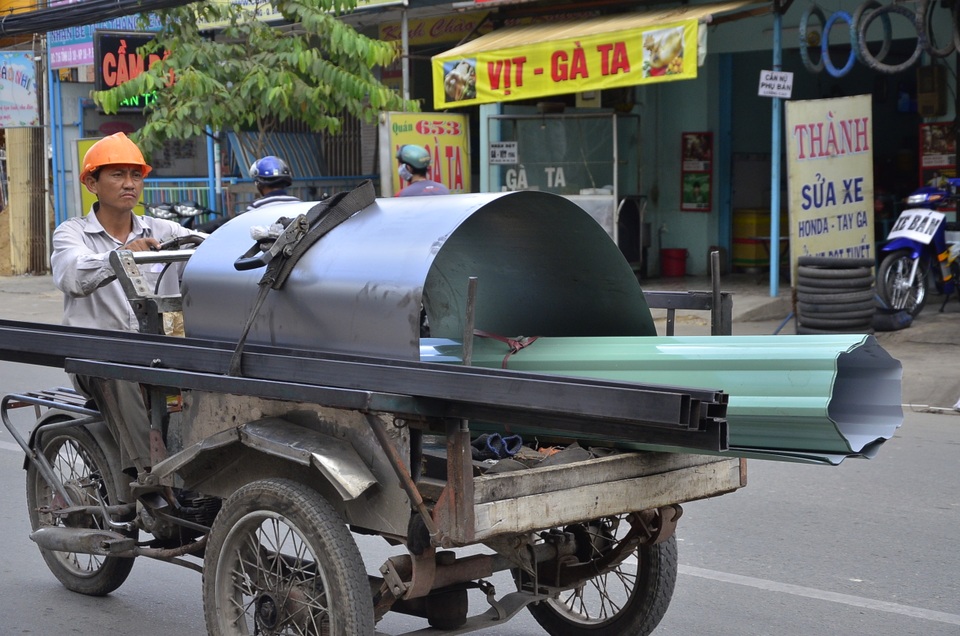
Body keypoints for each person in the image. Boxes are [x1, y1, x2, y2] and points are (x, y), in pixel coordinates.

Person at [51, 132, 201, 475]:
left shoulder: (163, 230)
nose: (129, 183)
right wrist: (119, 257)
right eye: (117, 174)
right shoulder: (71, 233)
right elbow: (74, 276)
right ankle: (149, 477)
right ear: (92, 182)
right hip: (97, 356)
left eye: (136, 175)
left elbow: (208, 248)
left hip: (158, 353)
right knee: (120, 371)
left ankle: (205, 471)